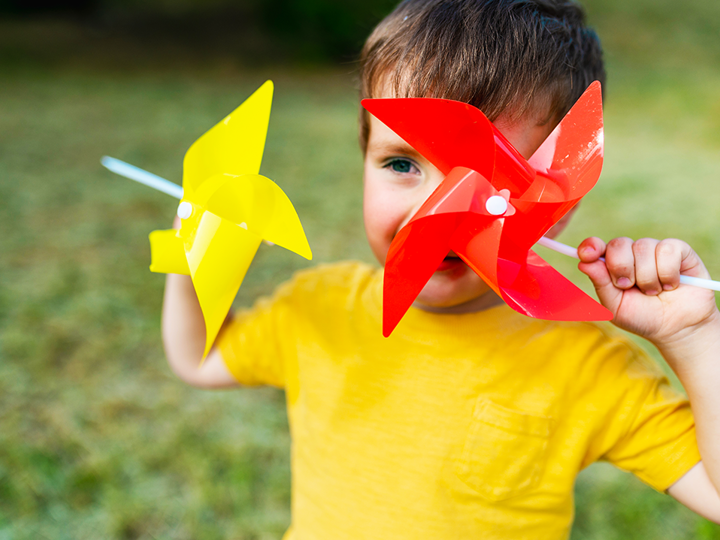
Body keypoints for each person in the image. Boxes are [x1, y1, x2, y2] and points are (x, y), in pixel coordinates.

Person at [162, 0, 720, 537]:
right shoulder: (316, 308)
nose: (433, 207)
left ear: (554, 208)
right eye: (402, 163)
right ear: (363, 161)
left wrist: (695, 338)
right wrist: (197, 249)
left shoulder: (587, 366)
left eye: (489, 179)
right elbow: (199, 358)